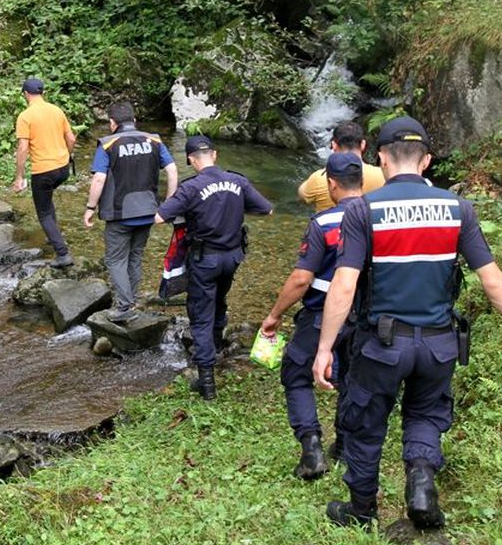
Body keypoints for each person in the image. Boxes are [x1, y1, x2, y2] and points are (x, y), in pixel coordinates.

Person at [312, 116, 502, 530]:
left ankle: (361, 510)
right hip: (438, 344)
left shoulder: (364, 210)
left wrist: (325, 348)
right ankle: (420, 484)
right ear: (427, 160)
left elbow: (344, 286)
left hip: (381, 345)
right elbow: (492, 279)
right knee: (425, 414)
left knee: (365, 422)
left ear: (379, 159)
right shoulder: (459, 208)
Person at [260, 152, 366, 480]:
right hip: (365, 317)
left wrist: (275, 315)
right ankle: (346, 444)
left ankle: (311, 447)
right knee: (351, 377)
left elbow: (301, 279)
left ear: (332, 185)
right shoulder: (377, 217)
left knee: (296, 373)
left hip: (322, 314)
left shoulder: (324, 223)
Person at [155, 135, 273, 400]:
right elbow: (266, 210)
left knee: (200, 312)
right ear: (215, 155)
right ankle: (217, 347)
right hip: (232, 258)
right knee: (220, 299)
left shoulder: (191, 187)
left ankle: (206, 381)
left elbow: (161, 217)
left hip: (204, 260)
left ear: (190, 160)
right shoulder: (238, 181)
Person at [83, 101, 179, 323]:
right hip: (148, 212)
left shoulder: (108, 144)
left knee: (116, 260)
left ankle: (125, 306)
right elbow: (172, 170)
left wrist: (90, 208)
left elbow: (99, 178)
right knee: (135, 257)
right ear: (134, 121)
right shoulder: (154, 140)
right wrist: (169, 203)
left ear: (112, 123)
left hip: (119, 214)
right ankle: (131, 300)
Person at [12, 78, 77, 268]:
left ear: (25, 94)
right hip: (63, 168)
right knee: (47, 202)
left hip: (43, 171)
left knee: (44, 213)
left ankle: (63, 254)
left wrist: (19, 176)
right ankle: (53, 235)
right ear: (42, 93)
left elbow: (23, 149)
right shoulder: (57, 110)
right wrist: (67, 154)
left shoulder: (25, 116)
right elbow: (71, 138)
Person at [298, 121, 384, 212]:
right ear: (363, 144)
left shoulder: (318, 178)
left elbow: (302, 195)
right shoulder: (382, 176)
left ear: (334, 145)